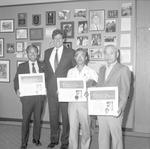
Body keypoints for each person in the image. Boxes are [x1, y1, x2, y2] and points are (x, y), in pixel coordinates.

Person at [44, 29, 76, 149]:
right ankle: (54, 139)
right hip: (51, 89)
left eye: (60, 38)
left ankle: (65, 141)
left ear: (64, 40)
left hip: (65, 91)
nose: (57, 40)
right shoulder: (47, 53)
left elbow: (74, 71)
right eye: (55, 38)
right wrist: (45, 86)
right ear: (52, 40)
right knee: (53, 116)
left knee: (66, 117)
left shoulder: (71, 52)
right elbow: (46, 71)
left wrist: (70, 87)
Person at [96, 45, 131, 149]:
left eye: (111, 53)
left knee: (116, 137)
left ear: (117, 54)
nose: (108, 56)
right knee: (102, 135)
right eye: (106, 53)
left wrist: (120, 108)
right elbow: (99, 87)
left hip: (115, 109)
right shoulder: (102, 69)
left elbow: (125, 92)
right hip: (102, 108)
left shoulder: (123, 69)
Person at [14, 45, 46, 149]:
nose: (33, 54)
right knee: (26, 120)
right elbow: (16, 80)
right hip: (27, 98)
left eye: (35, 52)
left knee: (38, 119)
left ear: (38, 53)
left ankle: (36, 139)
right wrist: (17, 89)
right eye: (30, 52)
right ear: (27, 54)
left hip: (39, 98)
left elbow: (48, 80)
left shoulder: (43, 65)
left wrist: (46, 89)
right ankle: (24, 142)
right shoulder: (22, 66)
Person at [67, 48, 98, 149]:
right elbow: (66, 87)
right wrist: (62, 92)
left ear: (86, 58)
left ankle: (85, 147)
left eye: (82, 55)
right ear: (75, 58)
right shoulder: (70, 72)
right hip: (72, 103)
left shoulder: (91, 72)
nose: (80, 57)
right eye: (77, 55)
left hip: (85, 104)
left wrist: (90, 90)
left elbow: (97, 87)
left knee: (86, 129)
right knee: (72, 129)